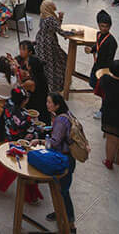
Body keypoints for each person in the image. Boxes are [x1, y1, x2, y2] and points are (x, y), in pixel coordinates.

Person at [44, 93, 78, 229]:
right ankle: (59, 212)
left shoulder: (60, 121)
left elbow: (55, 142)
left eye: (49, 102)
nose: (47, 104)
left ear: (57, 105)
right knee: (60, 189)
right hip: (69, 157)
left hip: (64, 159)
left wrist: (42, 141)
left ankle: (70, 224)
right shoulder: (68, 114)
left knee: (63, 191)